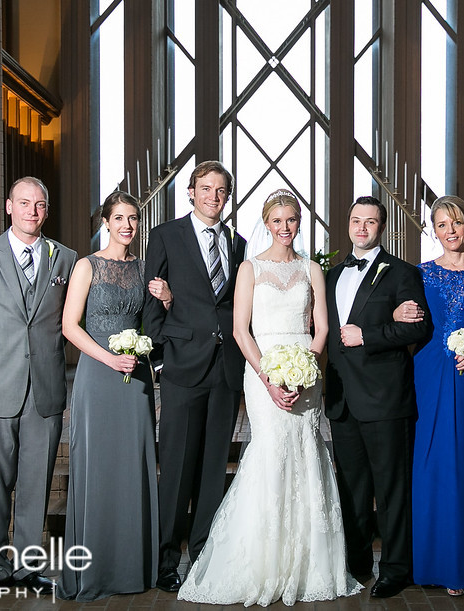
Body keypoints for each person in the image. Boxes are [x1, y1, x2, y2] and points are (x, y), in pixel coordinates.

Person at [177, 190, 362, 606]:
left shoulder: (312, 268)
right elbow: (241, 330)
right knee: (271, 452)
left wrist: (305, 369)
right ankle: (261, 561)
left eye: (292, 219)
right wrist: (270, 378)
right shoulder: (250, 268)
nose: (285, 227)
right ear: (266, 223)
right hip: (263, 370)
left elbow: (321, 330)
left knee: (306, 453)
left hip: (305, 371)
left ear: (299, 221)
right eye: (277, 220)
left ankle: (307, 564)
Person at [0, 176, 77, 604]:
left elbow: (67, 320)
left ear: (47, 209)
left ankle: (28, 568)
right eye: (24, 203)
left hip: (43, 390)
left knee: (36, 484)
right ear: (8, 206)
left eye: (39, 204)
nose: (32, 211)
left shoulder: (65, 259)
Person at [393, 195, 464, 595]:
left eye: (456, 223)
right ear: (434, 230)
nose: (450, 231)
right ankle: (434, 562)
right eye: (441, 225)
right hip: (429, 372)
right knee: (433, 463)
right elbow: (400, 312)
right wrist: (395, 315)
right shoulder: (419, 273)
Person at [142, 161, 247, 593]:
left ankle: (203, 554)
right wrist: (162, 359)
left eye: (221, 191)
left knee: (211, 469)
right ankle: (166, 560)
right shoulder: (166, 235)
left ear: (228, 196)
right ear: (190, 192)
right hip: (183, 366)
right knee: (178, 467)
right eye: (206, 189)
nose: (213, 197)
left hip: (225, 370)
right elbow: (152, 300)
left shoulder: (238, 244)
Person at [58, 191, 168, 600]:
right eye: (119, 217)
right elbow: (70, 326)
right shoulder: (86, 266)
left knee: (134, 466)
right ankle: (96, 569)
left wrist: (166, 298)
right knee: (98, 468)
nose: (127, 225)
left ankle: (133, 567)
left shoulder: (144, 270)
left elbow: (155, 322)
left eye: (133, 218)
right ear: (105, 222)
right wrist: (108, 359)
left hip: (135, 376)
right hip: (98, 375)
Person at [324, 195, 431, 599]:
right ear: (348, 224)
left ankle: (395, 569)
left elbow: (418, 329)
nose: (362, 227)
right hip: (342, 399)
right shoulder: (332, 275)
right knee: (352, 489)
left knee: (391, 489)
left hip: (386, 399)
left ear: (381, 227)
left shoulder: (402, 273)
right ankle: (356, 564)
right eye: (356, 220)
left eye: (370, 221)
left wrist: (368, 335)